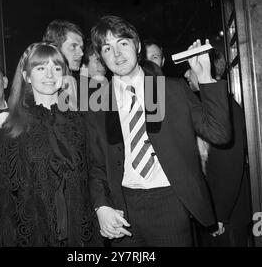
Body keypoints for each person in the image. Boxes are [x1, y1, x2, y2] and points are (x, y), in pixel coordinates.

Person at [85, 15, 231, 247]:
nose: (117, 54)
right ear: (101, 57)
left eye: (123, 43)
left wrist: (204, 77)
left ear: (138, 46)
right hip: (122, 211)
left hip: (169, 205)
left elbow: (220, 134)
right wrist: (101, 206)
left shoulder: (166, 90)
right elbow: (96, 164)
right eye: (107, 48)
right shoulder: (99, 102)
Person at [0, 42, 100, 246]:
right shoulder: (13, 129)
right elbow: (0, 200)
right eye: (41, 68)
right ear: (27, 76)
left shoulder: (79, 122)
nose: (50, 74)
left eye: (56, 68)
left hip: (79, 235)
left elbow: (93, 172)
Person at [184, 52, 252, 247]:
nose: (187, 75)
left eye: (190, 68)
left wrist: (219, 214)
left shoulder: (224, 108)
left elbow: (228, 165)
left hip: (226, 216)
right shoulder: (216, 105)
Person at [43, 20, 84, 109]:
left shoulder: (86, 86)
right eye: (73, 46)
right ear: (55, 48)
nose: (81, 53)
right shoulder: (42, 89)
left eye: (81, 48)